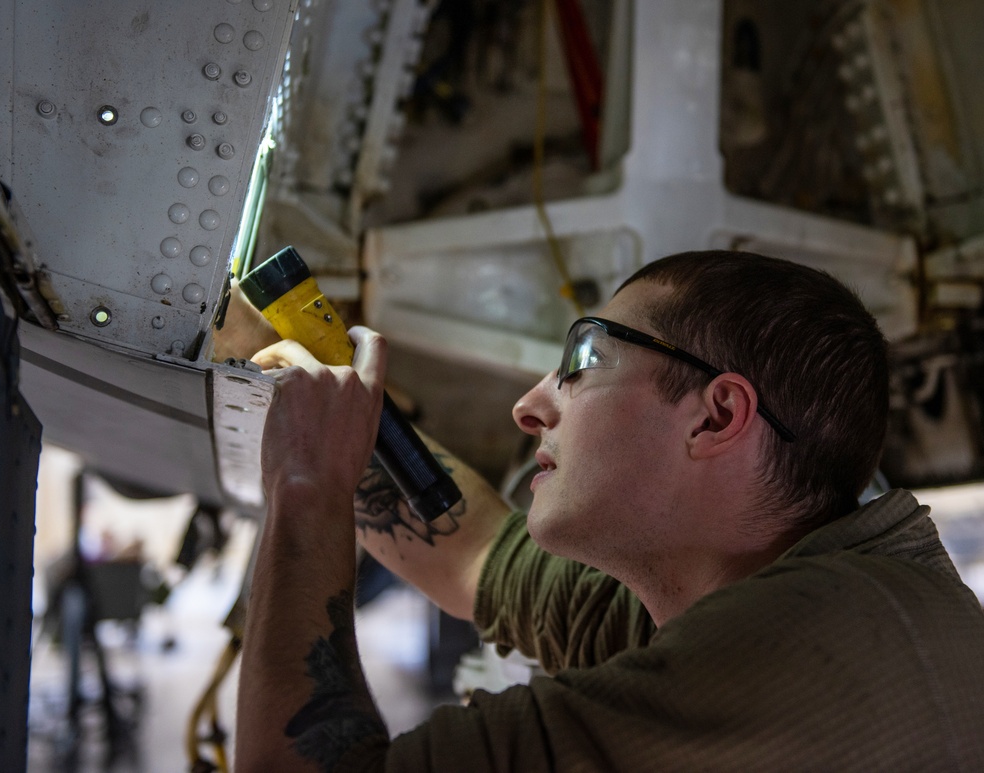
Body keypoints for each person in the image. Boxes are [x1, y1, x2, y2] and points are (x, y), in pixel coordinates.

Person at [234, 250, 984, 772]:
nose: (529, 407)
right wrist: (288, 359)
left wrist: (307, 487)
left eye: (583, 360)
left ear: (717, 416)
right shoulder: (736, 582)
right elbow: (473, 554)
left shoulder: (814, 650)